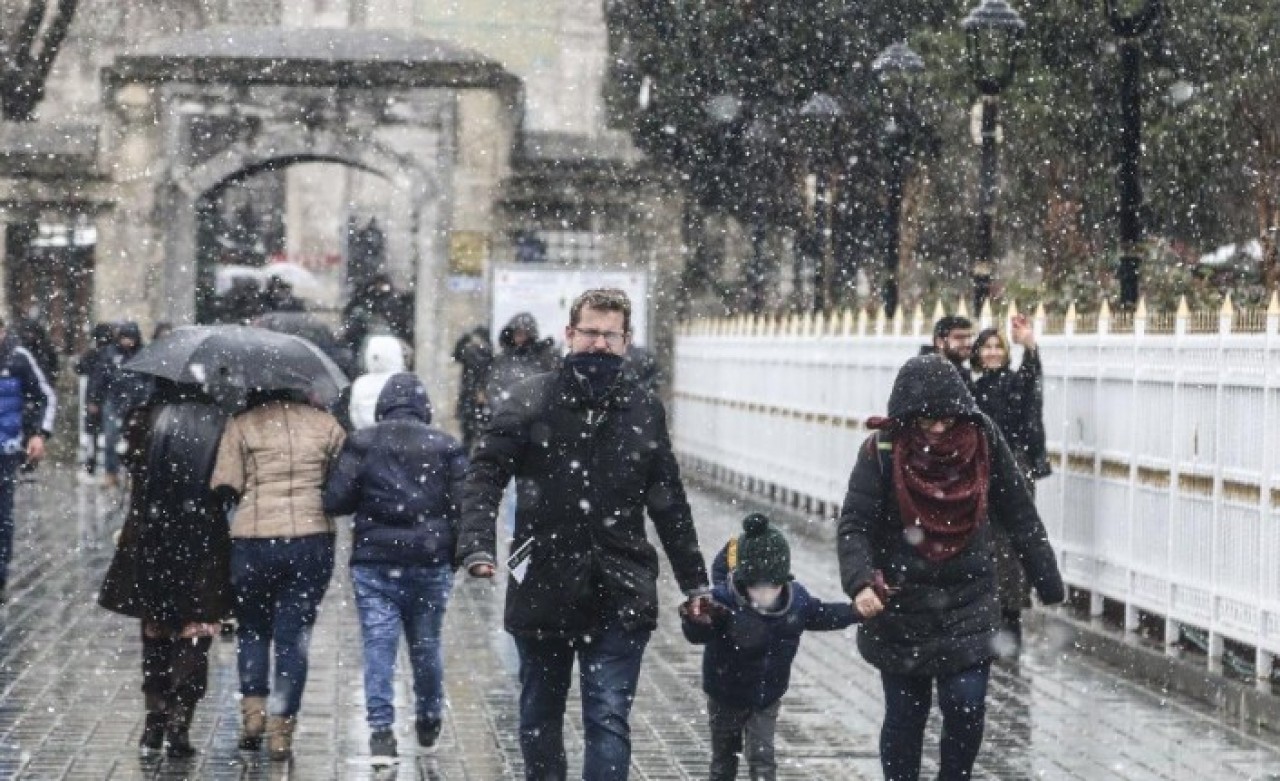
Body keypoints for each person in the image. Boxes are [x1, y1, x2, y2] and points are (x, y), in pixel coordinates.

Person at [457, 288, 711, 781]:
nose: (598, 344)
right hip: (544, 580)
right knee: (538, 716)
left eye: (609, 336)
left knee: (608, 717)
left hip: (620, 584)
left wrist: (694, 581)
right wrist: (477, 545)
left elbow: (669, 502)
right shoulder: (530, 400)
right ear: (569, 335)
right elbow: (484, 475)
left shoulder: (642, 408)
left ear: (626, 341)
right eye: (590, 333)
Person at [837, 355, 1065, 781]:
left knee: (967, 706)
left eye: (945, 418)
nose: (938, 429)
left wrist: (1048, 580)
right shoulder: (882, 451)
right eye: (926, 421)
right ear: (906, 417)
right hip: (902, 605)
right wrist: (861, 582)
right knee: (906, 715)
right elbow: (855, 524)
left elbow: (1020, 513)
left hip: (970, 600)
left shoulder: (983, 442)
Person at [323, 373, 468, 766]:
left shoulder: (364, 442)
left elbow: (337, 499)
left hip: (376, 562)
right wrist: (453, 553)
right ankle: (428, 718)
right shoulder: (447, 446)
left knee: (378, 647)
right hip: (428, 560)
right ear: (424, 406)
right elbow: (462, 507)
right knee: (426, 646)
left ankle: (381, 733)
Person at [210, 389, 346, 761]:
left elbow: (226, 483)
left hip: (253, 539)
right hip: (310, 539)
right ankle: (281, 730)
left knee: (252, 630)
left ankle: (253, 716)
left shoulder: (241, 424)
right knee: (293, 637)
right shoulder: (327, 425)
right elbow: (341, 485)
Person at [98, 380, 232, 758]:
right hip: (202, 537)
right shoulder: (220, 422)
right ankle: (180, 722)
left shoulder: (143, 419)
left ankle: (154, 721)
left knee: (155, 627)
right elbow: (228, 484)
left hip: (150, 535)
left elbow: (130, 462)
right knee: (195, 628)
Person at [682, 513, 859, 781]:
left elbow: (822, 614)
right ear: (743, 581)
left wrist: (856, 611)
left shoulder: (797, 602)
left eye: (773, 586)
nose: (765, 594)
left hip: (766, 694)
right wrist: (696, 620)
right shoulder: (723, 601)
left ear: (784, 580)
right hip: (725, 693)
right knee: (723, 760)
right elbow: (697, 634)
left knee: (763, 758)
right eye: (757, 588)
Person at [972, 315, 1053, 655]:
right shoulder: (972, 390)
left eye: (997, 347)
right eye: (986, 347)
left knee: (1013, 542)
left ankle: (1011, 614)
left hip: (1013, 470)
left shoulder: (1013, 384)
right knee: (984, 540)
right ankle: (988, 612)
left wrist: (1029, 345)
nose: (992, 353)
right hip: (981, 470)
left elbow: (1032, 383)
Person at [0, 317, 56, 603]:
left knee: (3, 516)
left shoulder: (19, 358)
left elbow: (44, 395)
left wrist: (38, 434)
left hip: (6, 449)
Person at [88, 322, 151, 490]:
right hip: (113, 401)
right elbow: (99, 377)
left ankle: (133, 475)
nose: (127, 342)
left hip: (136, 405)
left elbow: (148, 381)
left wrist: (146, 399)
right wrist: (94, 398)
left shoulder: (143, 354)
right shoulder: (110, 353)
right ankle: (111, 473)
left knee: (136, 442)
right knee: (110, 439)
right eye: (124, 338)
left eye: (130, 338)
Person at [76, 323, 115, 478]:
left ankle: (95, 462)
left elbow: (81, 368)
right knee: (96, 433)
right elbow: (81, 368)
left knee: (98, 433)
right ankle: (94, 462)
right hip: (101, 397)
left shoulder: (102, 353)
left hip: (103, 397)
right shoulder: (100, 353)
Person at [451, 326, 493, 450]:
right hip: (470, 399)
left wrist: (482, 390)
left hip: (477, 400)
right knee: (470, 436)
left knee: (476, 436)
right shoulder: (470, 353)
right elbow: (456, 355)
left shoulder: (484, 354)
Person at [923, 315, 975, 392]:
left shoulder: (959, 372)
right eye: (959, 338)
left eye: (969, 337)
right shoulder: (928, 373)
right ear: (940, 342)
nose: (967, 343)